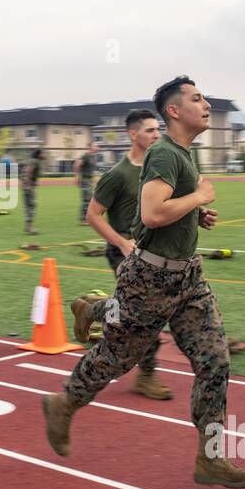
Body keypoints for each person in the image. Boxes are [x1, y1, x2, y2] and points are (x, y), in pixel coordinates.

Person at [41, 75, 245, 489]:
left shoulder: (183, 154)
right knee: (116, 358)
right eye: (197, 99)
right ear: (174, 111)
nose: (207, 104)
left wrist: (196, 215)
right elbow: (153, 214)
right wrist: (199, 199)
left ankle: (211, 458)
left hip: (189, 278)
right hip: (152, 279)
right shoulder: (163, 154)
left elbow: (163, 213)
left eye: (206, 98)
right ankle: (63, 403)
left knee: (215, 361)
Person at [77, 108, 170, 400]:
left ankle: (93, 310)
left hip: (155, 250)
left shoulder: (161, 168)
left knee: (140, 311)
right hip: (125, 252)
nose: (157, 135)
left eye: (159, 130)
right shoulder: (117, 175)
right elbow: (93, 215)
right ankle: (146, 375)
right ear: (133, 134)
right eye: (150, 130)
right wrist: (120, 243)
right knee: (150, 310)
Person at [21, 149, 43, 234]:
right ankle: (30, 228)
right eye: (42, 153)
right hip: (28, 187)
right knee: (32, 206)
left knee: (28, 206)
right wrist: (29, 183)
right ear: (39, 154)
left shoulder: (31, 160)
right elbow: (29, 170)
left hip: (27, 186)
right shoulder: (35, 161)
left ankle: (28, 227)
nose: (44, 155)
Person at [77, 141, 99, 224]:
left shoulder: (93, 157)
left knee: (89, 199)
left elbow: (91, 170)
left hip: (89, 180)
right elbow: (77, 165)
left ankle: (86, 218)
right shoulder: (85, 156)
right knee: (86, 199)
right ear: (90, 147)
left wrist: (93, 180)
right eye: (95, 146)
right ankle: (83, 219)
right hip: (85, 180)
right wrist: (77, 177)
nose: (97, 147)